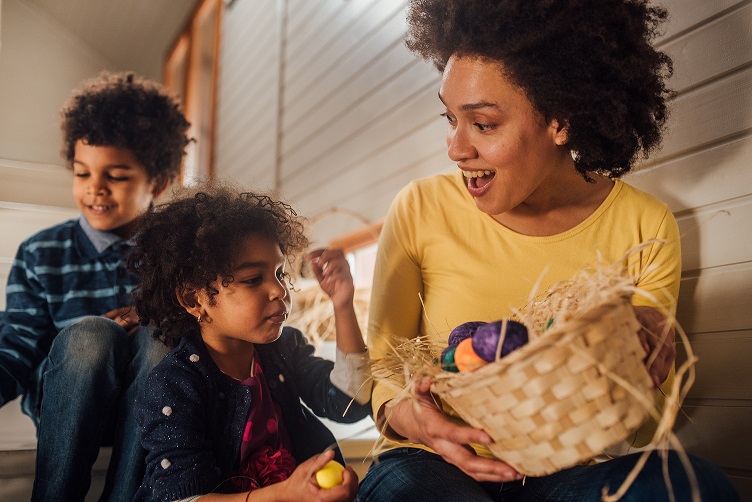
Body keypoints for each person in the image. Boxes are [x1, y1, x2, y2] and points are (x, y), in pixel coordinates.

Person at [359, 1, 740, 501]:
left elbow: (641, 425)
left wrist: (640, 361)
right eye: (450, 117)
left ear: (559, 121)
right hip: (433, 464)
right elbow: (383, 375)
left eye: (484, 124)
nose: (455, 147)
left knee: (691, 485)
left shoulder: (645, 226)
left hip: (563, 472)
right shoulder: (420, 206)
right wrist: (420, 422)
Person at [0, 72, 190, 501]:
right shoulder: (40, 252)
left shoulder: (182, 256)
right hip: (69, 406)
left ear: (158, 182)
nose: (94, 189)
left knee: (162, 335)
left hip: (149, 408)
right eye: (82, 173)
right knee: (92, 333)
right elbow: (16, 347)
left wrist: (153, 312)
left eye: (116, 176)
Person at [128, 187, 372, 501]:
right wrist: (284, 494)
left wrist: (343, 304)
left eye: (280, 273)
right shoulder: (173, 386)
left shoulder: (285, 349)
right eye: (253, 279)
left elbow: (349, 402)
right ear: (194, 298)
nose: (279, 290)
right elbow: (184, 498)